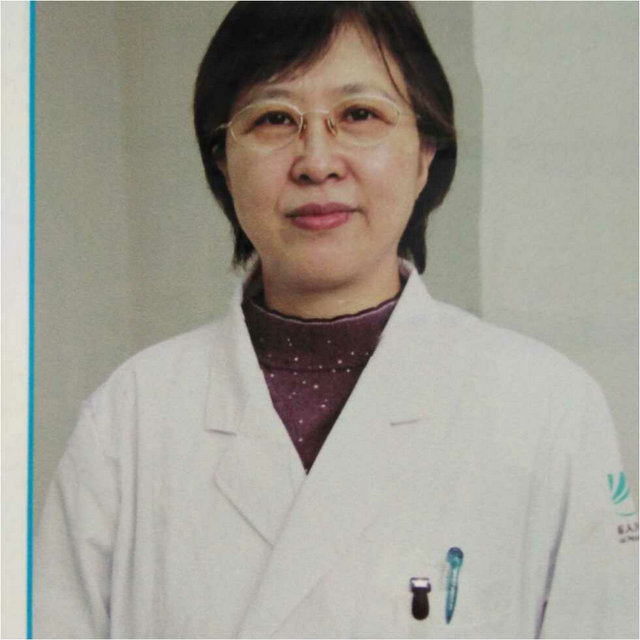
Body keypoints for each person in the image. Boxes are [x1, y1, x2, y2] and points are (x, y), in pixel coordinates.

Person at [35, 2, 637, 638]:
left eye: (359, 115)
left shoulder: (546, 410)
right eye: (274, 119)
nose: (317, 161)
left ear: (425, 151)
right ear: (222, 161)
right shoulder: (130, 420)